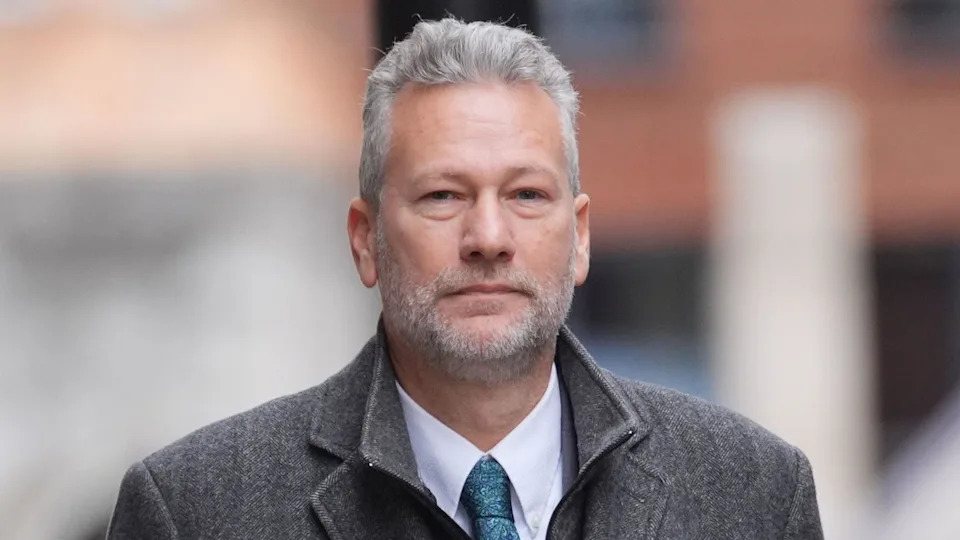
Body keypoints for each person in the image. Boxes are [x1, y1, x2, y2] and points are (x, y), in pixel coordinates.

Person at [107, 18, 823, 540]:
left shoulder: (755, 495)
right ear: (365, 240)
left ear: (578, 237)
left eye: (526, 196)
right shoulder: (196, 511)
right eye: (444, 196)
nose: (488, 238)